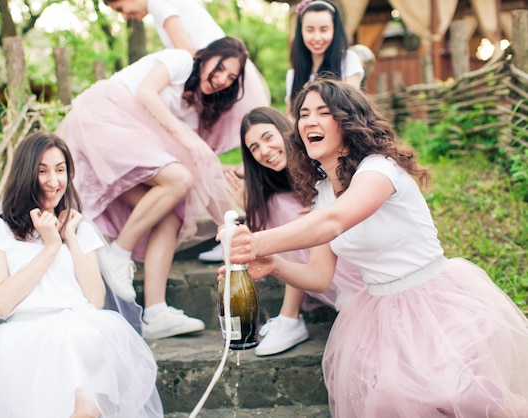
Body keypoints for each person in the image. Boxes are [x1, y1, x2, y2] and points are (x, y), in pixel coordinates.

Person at [225, 79, 528, 417]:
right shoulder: (322, 192)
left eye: (323, 112)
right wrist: (275, 265)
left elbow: (335, 222)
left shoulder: (380, 169)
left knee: (468, 393)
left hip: (434, 298)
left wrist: (253, 242)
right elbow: (320, 276)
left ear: (346, 119)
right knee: (390, 401)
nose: (309, 121)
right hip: (379, 310)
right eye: (303, 114)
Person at [0, 132, 163, 417]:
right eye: (42, 171)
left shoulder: (80, 229)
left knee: (85, 405)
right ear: (25, 174)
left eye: (60, 170)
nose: (53, 181)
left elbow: (95, 298)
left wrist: (69, 238)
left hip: (82, 333)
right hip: (24, 340)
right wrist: (50, 246)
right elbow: (2, 303)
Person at [56, 36, 245, 339]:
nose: (222, 78)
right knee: (178, 179)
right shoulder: (181, 61)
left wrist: (230, 176)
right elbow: (145, 94)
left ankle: (156, 313)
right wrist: (187, 138)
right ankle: (119, 253)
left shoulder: (193, 110)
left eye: (231, 77)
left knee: (171, 214)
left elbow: (196, 160)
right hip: (103, 119)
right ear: (206, 58)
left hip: (132, 146)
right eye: (220, 67)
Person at [225, 106, 364, 356]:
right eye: (254, 148)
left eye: (268, 138)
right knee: (275, 204)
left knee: (286, 212)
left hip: (352, 248)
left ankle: (290, 318)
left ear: (286, 130)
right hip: (320, 258)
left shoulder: (317, 156)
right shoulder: (272, 179)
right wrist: (249, 206)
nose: (264, 151)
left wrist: (324, 206)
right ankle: (289, 319)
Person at [103, 0, 271, 155]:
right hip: (220, 71)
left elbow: (185, 50)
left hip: (219, 71)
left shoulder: (157, 3)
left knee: (253, 132)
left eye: (120, 9)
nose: (124, 16)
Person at [286, 0, 363, 115]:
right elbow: (291, 117)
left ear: (334, 30)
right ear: (301, 32)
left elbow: (352, 109)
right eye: (310, 30)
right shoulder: (293, 74)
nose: (317, 38)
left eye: (324, 30)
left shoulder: (347, 61)